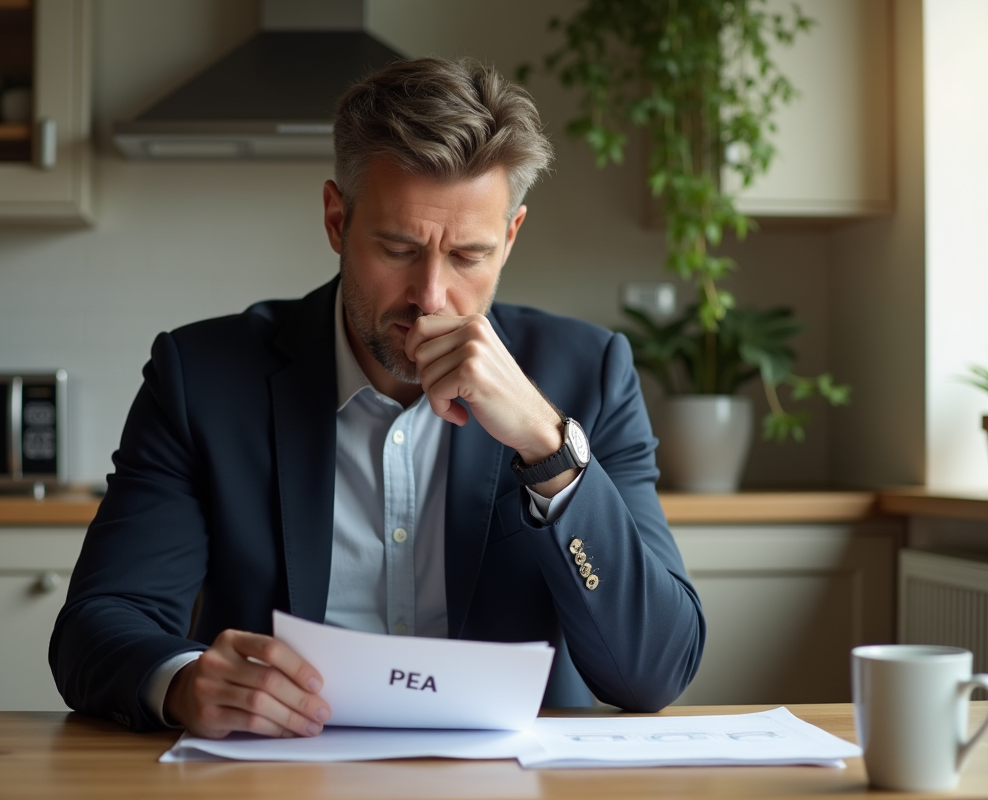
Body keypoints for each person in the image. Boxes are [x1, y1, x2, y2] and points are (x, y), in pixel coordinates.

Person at [50, 56, 705, 739]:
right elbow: (98, 625)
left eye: (469, 256)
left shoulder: (587, 376)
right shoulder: (202, 379)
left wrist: (549, 450)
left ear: (509, 239)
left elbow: (653, 671)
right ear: (337, 220)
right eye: (398, 248)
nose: (431, 296)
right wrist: (182, 682)